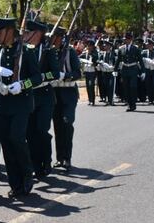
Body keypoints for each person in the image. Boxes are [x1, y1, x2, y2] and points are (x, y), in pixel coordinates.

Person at [0, 17, 42, 200]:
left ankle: (27, 172)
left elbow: (38, 78)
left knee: (16, 138)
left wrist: (23, 85)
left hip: (21, 104)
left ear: (9, 31)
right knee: (5, 143)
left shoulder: (25, 52)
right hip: (2, 105)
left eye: (0, 31)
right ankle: (15, 184)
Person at [24, 20, 60, 179]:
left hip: (45, 96)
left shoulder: (48, 50)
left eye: (28, 32)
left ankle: (45, 160)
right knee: (29, 133)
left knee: (41, 131)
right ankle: (34, 164)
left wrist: (40, 77)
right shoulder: (24, 50)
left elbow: (56, 73)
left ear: (37, 34)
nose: (25, 35)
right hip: (29, 96)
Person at [51, 27, 82, 171]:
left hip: (68, 92)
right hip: (54, 93)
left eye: (54, 37)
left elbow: (77, 73)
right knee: (57, 126)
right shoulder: (49, 52)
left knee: (67, 124)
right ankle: (59, 158)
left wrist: (65, 75)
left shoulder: (69, 52)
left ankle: (67, 158)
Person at [116, 33, 144, 112]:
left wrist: (143, 71)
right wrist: (115, 70)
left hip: (133, 69)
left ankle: (133, 104)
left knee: (133, 87)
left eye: (127, 39)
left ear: (131, 40)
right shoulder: (121, 48)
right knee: (126, 88)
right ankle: (129, 104)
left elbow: (140, 60)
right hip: (125, 70)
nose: (126, 40)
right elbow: (118, 60)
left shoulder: (136, 48)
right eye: (125, 39)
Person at [79, 40, 99, 106]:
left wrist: (91, 54)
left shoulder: (95, 53)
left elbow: (96, 60)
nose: (88, 47)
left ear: (93, 46)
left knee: (91, 85)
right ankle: (89, 99)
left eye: (90, 46)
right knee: (87, 86)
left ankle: (92, 100)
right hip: (87, 71)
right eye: (88, 46)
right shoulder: (86, 52)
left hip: (92, 71)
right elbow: (80, 56)